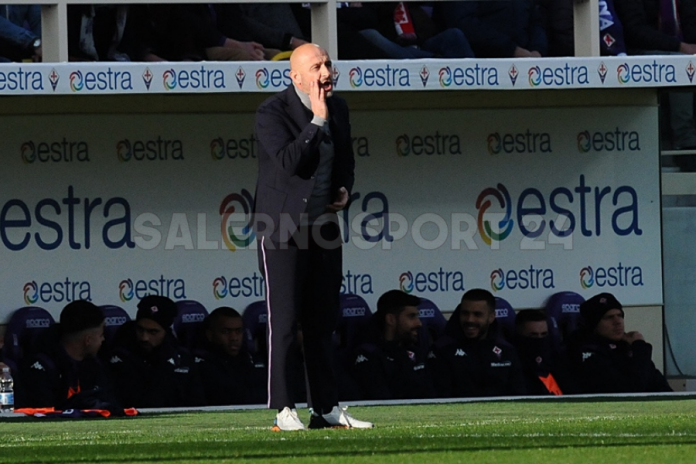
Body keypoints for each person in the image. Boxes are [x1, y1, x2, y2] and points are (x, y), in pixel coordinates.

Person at [253, 43, 372, 431]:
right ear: (297, 76)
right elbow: (288, 163)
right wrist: (316, 121)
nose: (326, 72)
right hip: (283, 229)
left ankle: (325, 407)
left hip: (322, 227)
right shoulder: (271, 113)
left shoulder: (339, 107)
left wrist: (344, 189)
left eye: (328, 63)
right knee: (285, 321)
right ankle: (283, 409)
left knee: (322, 322)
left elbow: (346, 160)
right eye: (317, 66)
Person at [614, 0, 696, 167]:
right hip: (640, 53)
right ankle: (686, 145)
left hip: (679, 50)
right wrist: (680, 47)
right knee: (681, 65)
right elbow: (635, 32)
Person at [108, 295, 205, 408]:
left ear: (166, 332)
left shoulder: (182, 359)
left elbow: (197, 404)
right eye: (140, 329)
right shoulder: (120, 356)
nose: (144, 338)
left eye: (153, 332)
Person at [19, 300, 117, 410]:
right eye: (101, 335)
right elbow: (42, 411)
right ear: (88, 340)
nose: (103, 340)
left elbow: (110, 402)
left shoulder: (95, 364)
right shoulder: (41, 367)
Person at [429, 289, 527, 398]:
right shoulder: (441, 350)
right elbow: (439, 398)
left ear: (491, 317)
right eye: (465, 313)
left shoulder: (507, 351)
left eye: (477, 314)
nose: (470, 320)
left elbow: (519, 396)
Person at [568, 293, 672, 393]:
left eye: (620, 315)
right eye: (609, 317)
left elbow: (660, 386)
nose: (618, 322)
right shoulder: (588, 353)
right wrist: (640, 348)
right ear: (594, 324)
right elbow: (631, 390)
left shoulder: (624, 347)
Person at [352, 290, 435, 400]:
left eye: (417, 316)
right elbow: (381, 402)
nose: (419, 323)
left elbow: (432, 397)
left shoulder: (416, 352)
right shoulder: (368, 356)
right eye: (411, 316)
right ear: (391, 319)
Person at [197, 307, 267, 406]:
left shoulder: (256, 361)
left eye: (238, 331)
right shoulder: (201, 366)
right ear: (210, 335)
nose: (234, 338)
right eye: (226, 332)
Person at [439, 0, 547, 57]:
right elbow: (464, 23)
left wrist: (537, 50)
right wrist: (512, 50)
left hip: (526, 62)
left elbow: (535, 21)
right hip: (478, 65)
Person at [513, 309, 577, 395]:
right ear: (520, 333)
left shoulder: (557, 357)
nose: (539, 339)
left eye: (544, 334)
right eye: (533, 335)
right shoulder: (512, 359)